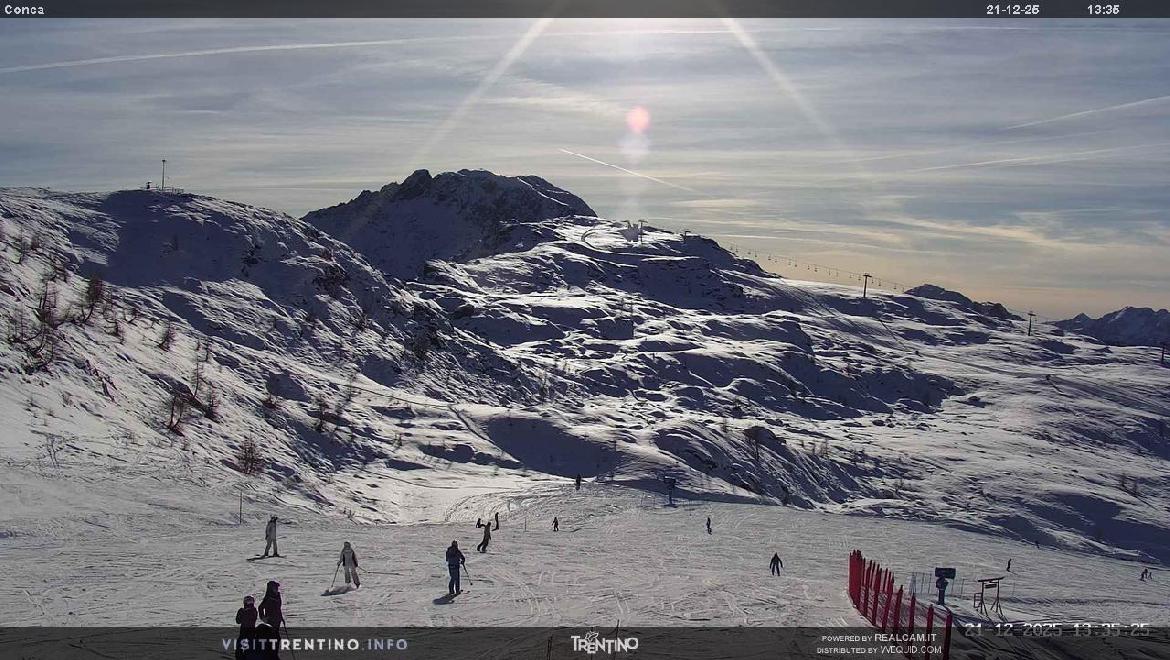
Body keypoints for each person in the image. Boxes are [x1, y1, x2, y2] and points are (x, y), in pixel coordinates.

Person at [235, 595, 258, 660]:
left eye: (251, 602)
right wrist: (241, 612)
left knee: (250, 648)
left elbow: (253, 618)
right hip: (244, 631)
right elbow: (238, 621)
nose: (250, 603)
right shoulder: (242, 610)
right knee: (239, 648)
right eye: (248, 602)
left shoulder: (253, 610)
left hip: (250, 631)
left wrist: (244, 612)